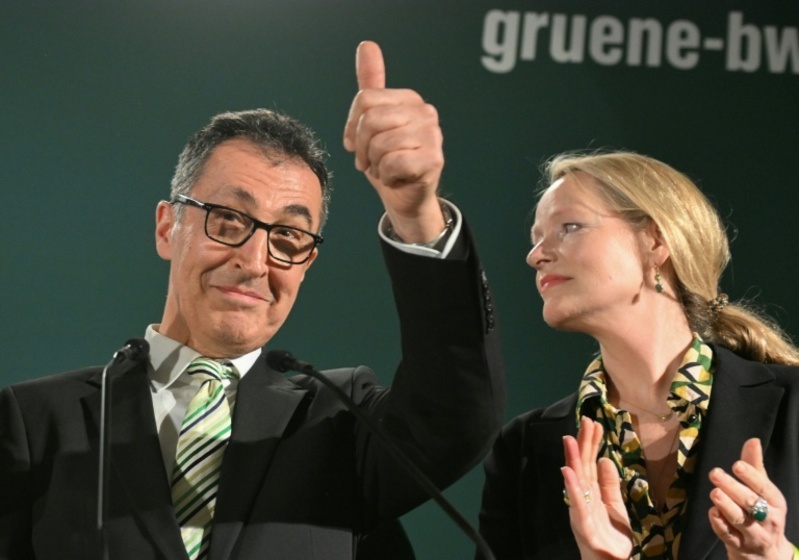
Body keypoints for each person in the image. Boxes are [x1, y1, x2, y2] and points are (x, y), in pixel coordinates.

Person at [0, 41, 504, 560]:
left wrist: (416, 215)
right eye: (228, 220)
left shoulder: (341, 420)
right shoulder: (36, 422)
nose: (255, 260)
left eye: (288, 236)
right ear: (168, 227)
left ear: (307, 263)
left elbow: (456, 418)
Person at [476, 150, 799, 559]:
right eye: (535, 239)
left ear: (656, 240)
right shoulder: (522, 450)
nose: (535, 255)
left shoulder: (792, 407)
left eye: (569, 227)